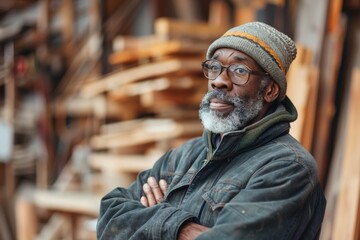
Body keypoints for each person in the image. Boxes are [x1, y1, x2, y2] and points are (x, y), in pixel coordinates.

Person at [96, 21, 326, 240]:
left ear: (270, 90)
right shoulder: (184, 156)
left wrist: (154, 222)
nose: (219, 81)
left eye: (238, 70)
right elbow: (109, 216)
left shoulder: (287, 167)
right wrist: (181, 229)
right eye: (214, 67)